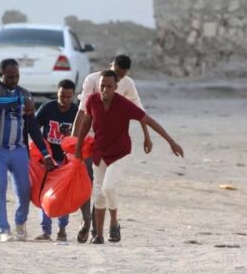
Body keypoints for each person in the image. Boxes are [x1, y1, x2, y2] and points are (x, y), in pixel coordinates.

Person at [75, 70, 184, 244]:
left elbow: (148, 120)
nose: (105, 90)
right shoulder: (92, 101)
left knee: (108, 188)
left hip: (120, 153)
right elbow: (86, 122)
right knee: (98, 194)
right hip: (99, 153)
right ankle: (99, 235)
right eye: (102, 86)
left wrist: (171, 141)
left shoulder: (124, 104)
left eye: (109, 87)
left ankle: (114, 222)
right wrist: (78, 146)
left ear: (116, 88)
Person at [71, 54, 152, 243]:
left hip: (112, 142)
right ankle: (86, 222)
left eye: (121, 76)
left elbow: (140, 111)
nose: (117, 78)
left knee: (102, 188)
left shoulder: (128, 84)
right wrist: (74, 141)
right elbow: (82, 112)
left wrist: (147, 136)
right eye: (115, 72)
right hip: (90, 139)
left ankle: (99, 230)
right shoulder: (92, 80)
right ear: (110, 66)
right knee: (88, 183)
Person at [0, 59, 55, 242]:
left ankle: (20, 223)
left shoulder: (24, 94)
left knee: (24, 191)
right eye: (9, 77)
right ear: (0, 75)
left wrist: (45, 153)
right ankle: (4, 230)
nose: (13, 80)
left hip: (19, 150)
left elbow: (32, 128)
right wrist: (21, 101)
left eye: (16, 77)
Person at [33, 79, 78, 242]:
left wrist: (69, 136)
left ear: (73, 96)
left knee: (62, 196)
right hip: (48, 159)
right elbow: (34, 128)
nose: (64, 100)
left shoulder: (76, 112)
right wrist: (41, 153)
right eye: (61, 96)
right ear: (57, 93)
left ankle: (62, 229)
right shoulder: (48, 108)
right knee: (45, 194)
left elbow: (81, 136)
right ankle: (45, 231)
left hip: (66, 160)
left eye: (68, 97)